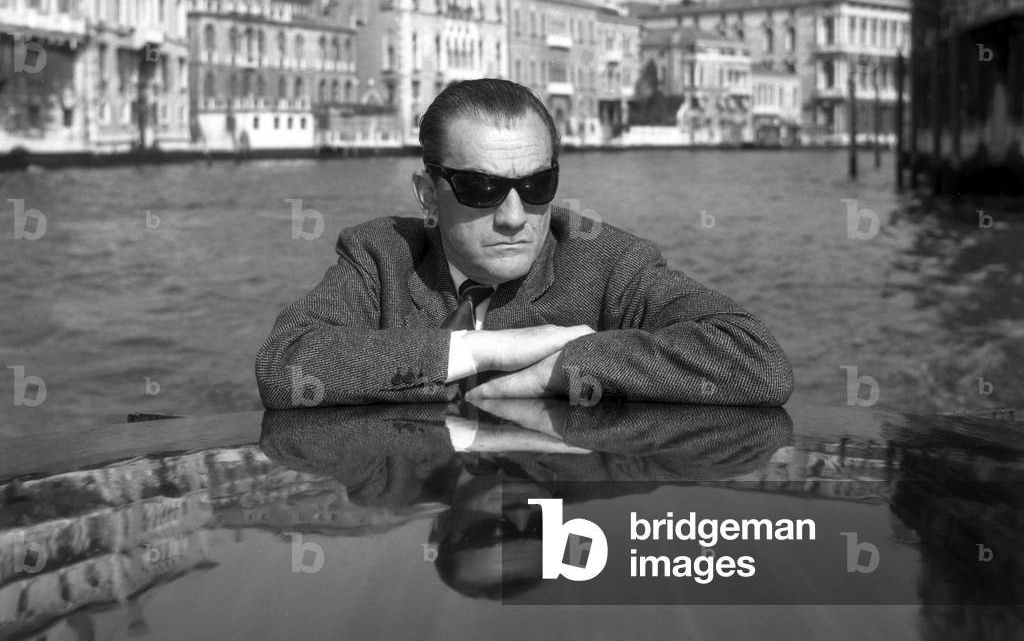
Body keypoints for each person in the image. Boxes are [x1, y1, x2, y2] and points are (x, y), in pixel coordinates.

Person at [255, 78, 794, 407]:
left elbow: (757, 361)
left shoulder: (607, 262)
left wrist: (563, 369)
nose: (515, 216)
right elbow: (285, 366)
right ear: (428, 194)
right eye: (481, 188)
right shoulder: (381, 256)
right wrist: (478, 351)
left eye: (537, 186)